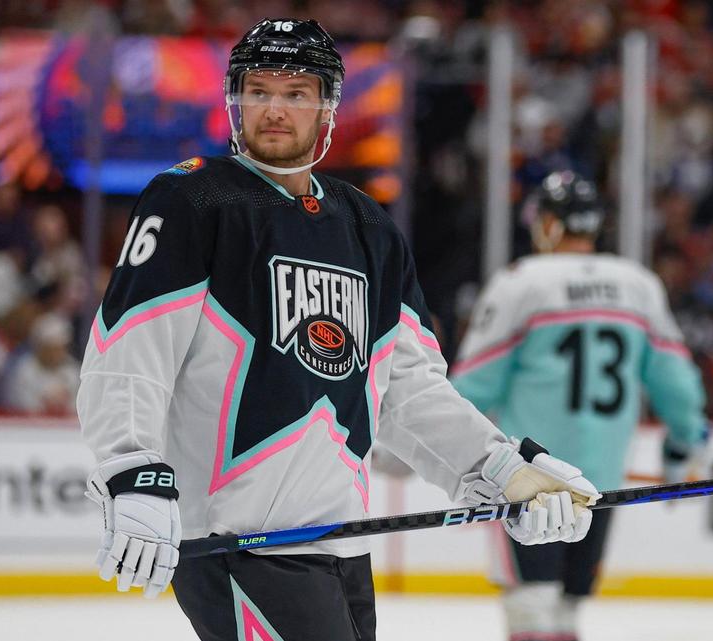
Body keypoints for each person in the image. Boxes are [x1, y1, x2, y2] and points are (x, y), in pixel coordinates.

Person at [77, 19, 601, 641]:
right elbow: (130, 348)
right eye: (259, 90)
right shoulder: (194, 200)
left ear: (327, 106)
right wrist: (131, 466)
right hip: (239, 540)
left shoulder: (367, 226)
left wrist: (500, 468)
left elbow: (408, 388)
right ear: (233, 99)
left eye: (296, 92)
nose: (275, 108)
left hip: (339, 545)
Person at [451, 171, 710, 641]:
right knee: (569, 611)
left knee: (530, 608)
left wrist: (428, 445)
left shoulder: (520, 283)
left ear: (549, 224)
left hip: (530, 476)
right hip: (603, 479)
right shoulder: (638, 285)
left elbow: (473, 385)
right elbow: (675, 381)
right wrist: (685, 441)